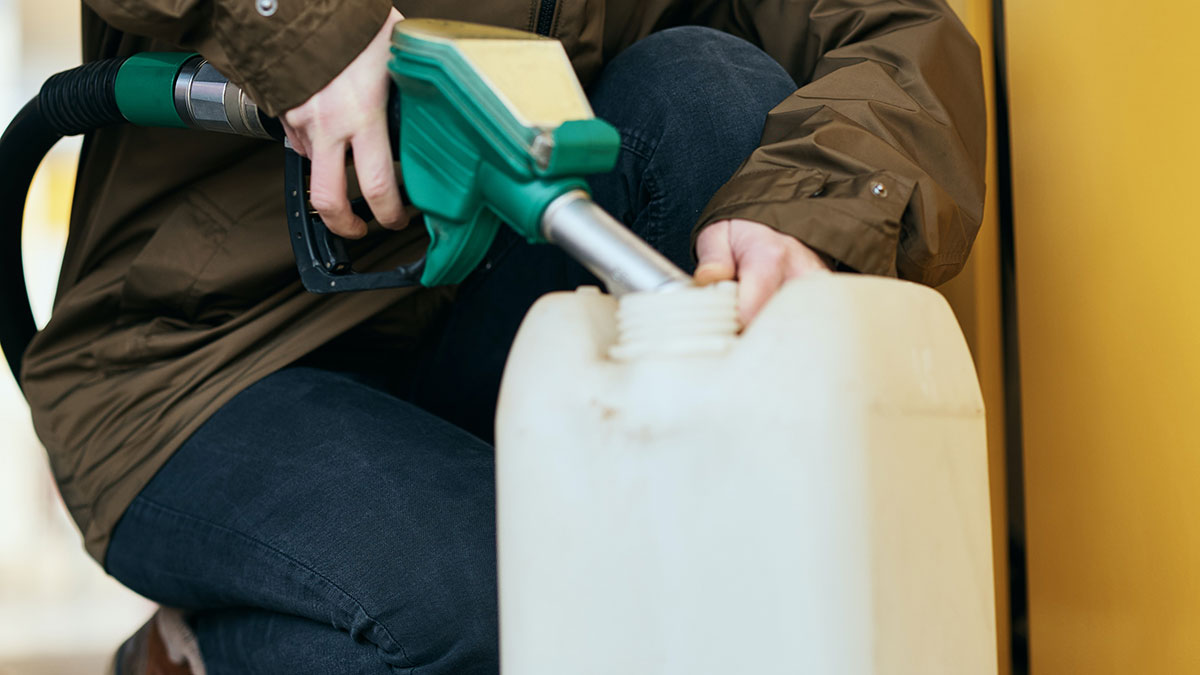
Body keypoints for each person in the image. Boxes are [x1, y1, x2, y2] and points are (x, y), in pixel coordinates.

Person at [22, 1, 985, 673]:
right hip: (208, 357)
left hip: (481, 295)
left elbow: (892, 29)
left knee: (709, 88)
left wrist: (807, 212)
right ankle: (202, 655)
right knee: (508, 615)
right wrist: (306, 27)